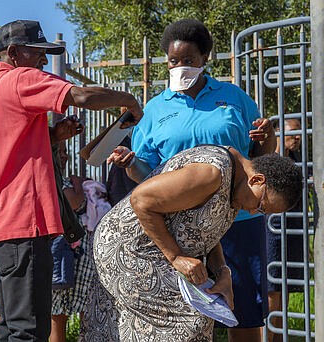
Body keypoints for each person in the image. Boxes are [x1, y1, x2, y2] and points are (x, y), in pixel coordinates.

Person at [107, 19, 276, 341]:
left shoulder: (235, 98)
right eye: (174, 61)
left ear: (204, 59)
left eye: (189, 61)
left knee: (244, 312)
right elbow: (147, 175)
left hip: (237, 221)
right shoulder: (155, 109)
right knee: (187, 314)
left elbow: (259, 158)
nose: (180, 67)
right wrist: (130, 165)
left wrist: (269, 137)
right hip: (182, 228)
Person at [0, 19, 143, 341]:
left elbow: (13, 148)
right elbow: (79, 96)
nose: (43, 60)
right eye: (37, 52)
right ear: (13, 53)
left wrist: (53, 135)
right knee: (30, 328)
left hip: (6, 221)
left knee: (12, 324)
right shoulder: (20, 79)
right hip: (22, 221)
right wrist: (127, 99)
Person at [82, 145, 302, 341]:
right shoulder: (212, 173)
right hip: (129, 247)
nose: (254, 211)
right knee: (190, 321)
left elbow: (206, 233)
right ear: (257, 180)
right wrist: (176, 257)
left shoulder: (239, 188)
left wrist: (222, 272)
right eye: (261, 206)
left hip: (156, 251)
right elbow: (141, 200)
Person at [50, 143, 112, 342]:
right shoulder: (56, 182)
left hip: (78, 256)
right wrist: (78, 182)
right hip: (63, 255)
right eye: (59, 151)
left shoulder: (63, 181)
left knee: (84, 310)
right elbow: (75, 202)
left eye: (65, 152)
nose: (64, 156)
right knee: (58, 315)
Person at [266, 118, 305, 342]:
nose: (298, 137)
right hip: (273, 229)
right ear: (278, 133)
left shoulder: (298, 158)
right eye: (293, 132)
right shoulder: (269, 160)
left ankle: (279, 338)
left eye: (300, 131)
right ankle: (268, 337)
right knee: (273, 288)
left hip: (293, 229)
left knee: (286, 287)